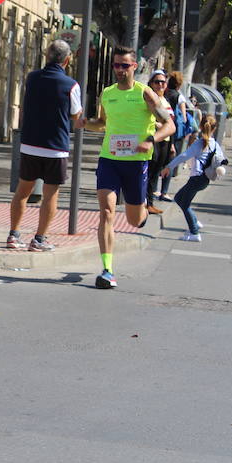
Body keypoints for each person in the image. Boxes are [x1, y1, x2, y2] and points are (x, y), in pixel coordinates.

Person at [83, 46, 175, 289]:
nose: (120, 70)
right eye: (116, 65)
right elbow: (102, 123)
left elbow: (170, 126)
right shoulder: (107, 94)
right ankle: (107, 270)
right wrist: (84, 123)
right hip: (109, 160)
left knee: (134, 220)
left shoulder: (145, 94)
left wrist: (150, 140)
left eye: (125, 65)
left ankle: (142, 210)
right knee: (106, 212)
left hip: (136, 164)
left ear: (135, 67)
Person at [6, 39, 83, 251]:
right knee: (50, 195)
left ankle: (13, 235)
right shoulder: (71, 85)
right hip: (55, 147)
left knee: (22, 191)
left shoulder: (32, 78)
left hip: (30, 143)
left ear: (47, 57)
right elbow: (76, 115)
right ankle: (39, 239)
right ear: (67, 60)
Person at [160, 114, 226, 242]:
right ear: (214, 128)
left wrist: (169, 167)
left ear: (201, 126)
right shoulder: (215, 145)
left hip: (196, 178)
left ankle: (194, 231)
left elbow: (183, 156)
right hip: (205, 179)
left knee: (181, 200)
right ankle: (195, 222)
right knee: (184, 200)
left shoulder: (199, 144)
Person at [144, 70, 173, 215]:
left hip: (165, 141)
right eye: (157, 82)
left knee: (156, 173)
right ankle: (146, 203)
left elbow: (171, 123)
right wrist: (157, 125)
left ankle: (150, 202)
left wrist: (172, 144)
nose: (160, 84)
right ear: (151, 84)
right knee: (149, 173)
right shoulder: (151, 98)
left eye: (163, 82)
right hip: (153, 139)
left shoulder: (165, 100)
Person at [157, 71, 185, 202]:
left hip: (158, 132)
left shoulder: (163, 95)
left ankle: (154, 190)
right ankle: (164, 192)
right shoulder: (178, 96)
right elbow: (183, 118)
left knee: (156, 163)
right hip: (171, 134)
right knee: (169, 163)